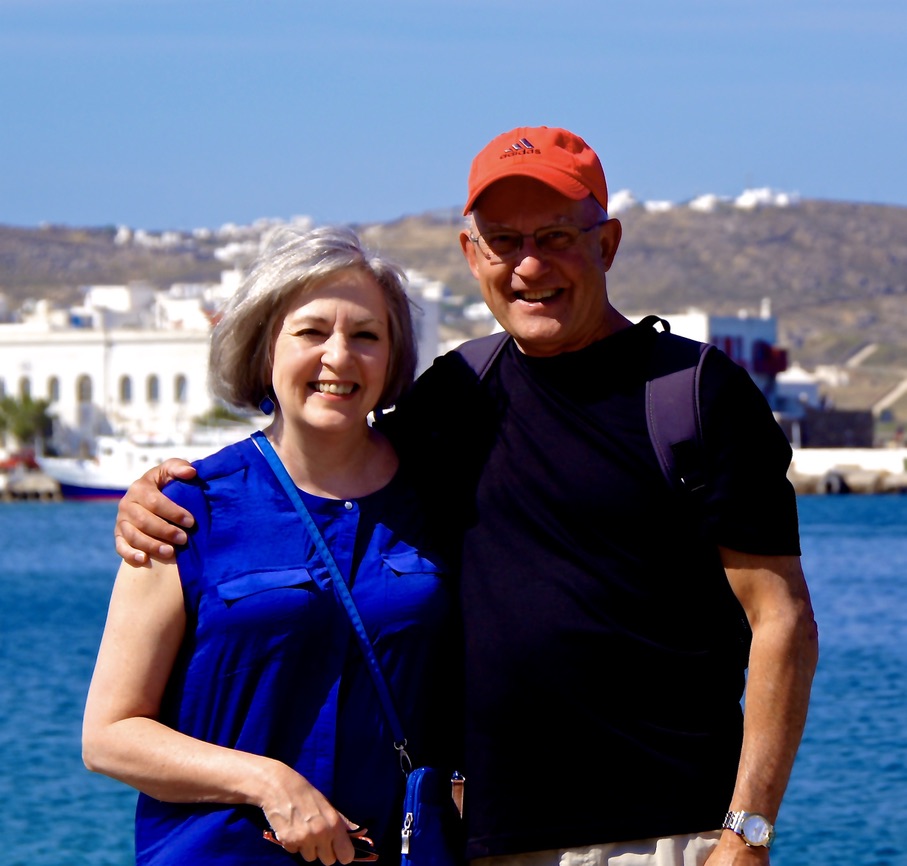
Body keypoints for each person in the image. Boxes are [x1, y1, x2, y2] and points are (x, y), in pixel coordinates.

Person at [113, 127, 818, 866]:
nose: (529, 265)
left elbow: (783, 622)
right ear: (469, 254)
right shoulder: (453, 397)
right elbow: (325, 455)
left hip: (661, 838)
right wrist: (158, 490)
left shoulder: (695, 396)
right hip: (481, 844)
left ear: (605, 244)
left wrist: (746, 833)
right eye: (502, 241)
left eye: (554, 236)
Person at [83, 225, 460, 866]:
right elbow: (110, 736)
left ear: (394, 360)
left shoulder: (444, 501)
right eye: (311, 332)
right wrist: (268, 781)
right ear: (264, 350)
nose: (339, 358)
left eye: (366, 336)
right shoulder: (186, 510)